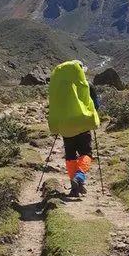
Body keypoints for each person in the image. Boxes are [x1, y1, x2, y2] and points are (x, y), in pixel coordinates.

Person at [47, 60, 101, 198]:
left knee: (70, 155)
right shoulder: (87, 85)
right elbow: (96, 104)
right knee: (86, 153)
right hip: (82, 124)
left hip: (65, 126)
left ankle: (74, 189)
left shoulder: (60, 87)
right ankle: (79, 178)